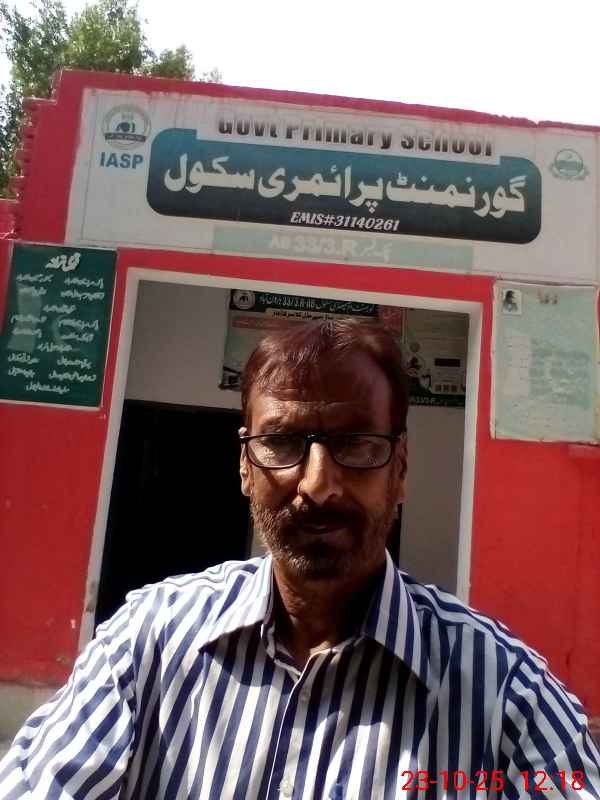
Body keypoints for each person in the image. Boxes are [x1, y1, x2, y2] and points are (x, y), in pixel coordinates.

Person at [1, 318, 599, 799]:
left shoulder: (506, 694)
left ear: (400, 469)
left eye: (356, 444)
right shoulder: (147, 643)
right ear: (244, 466)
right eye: (283, 442)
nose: (317, 485)